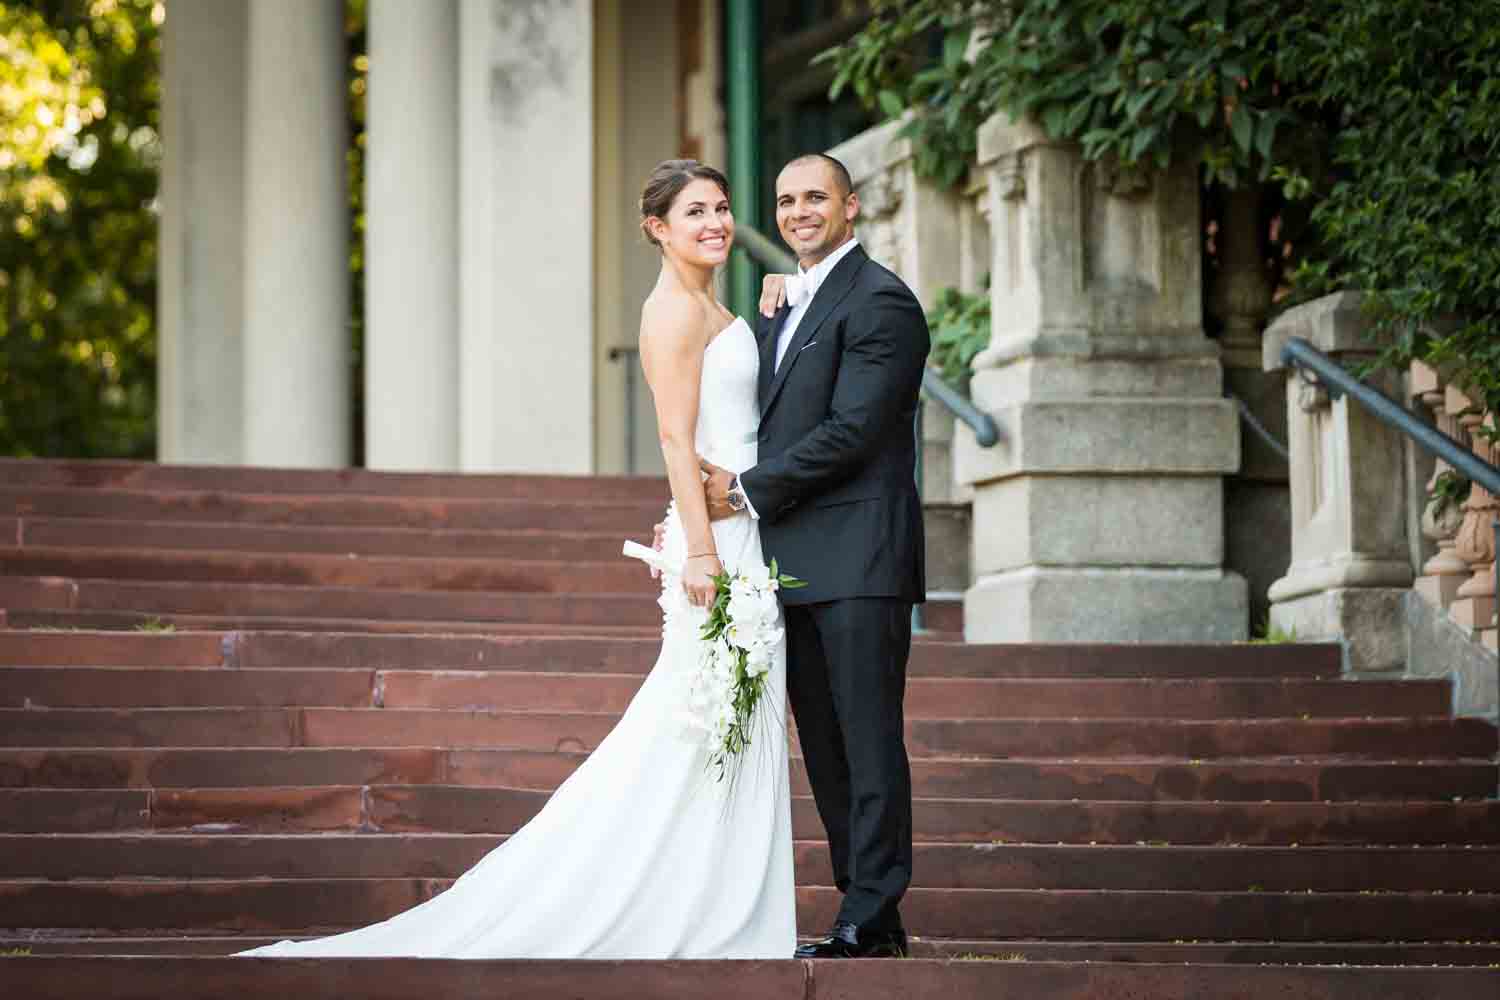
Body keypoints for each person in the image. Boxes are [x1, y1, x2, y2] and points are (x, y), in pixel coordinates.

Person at [237, 159, 795, 960]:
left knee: (720, 723)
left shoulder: (715, 303)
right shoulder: (671, 313)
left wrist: (773, 312)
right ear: (657, 228)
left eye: (722, 208)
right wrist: (701, 553)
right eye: (695, 211)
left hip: (746, 522)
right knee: (701, 720)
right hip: (720, 543)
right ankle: (679, 900)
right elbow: (676, 438)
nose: (715, 223)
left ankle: (723, 897)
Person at [701, 152, 930, 959]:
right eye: (785, 199)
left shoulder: (883, 302)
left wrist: (743, 491)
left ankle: (871, 914)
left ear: (852, 207)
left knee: (868, 741)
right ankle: (864, 908)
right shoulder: (785, 302)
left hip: (862, 557)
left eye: (815, 198)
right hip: (791, 561)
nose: (799, 211)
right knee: (826, 748)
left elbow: (855, 430)